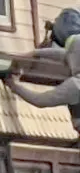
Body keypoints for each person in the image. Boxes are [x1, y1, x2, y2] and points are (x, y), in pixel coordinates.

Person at [8, 7, 80, 135]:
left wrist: (13, 86)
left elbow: (40, 100)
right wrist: (34, 53)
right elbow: (63, 54)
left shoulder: (75, 86)